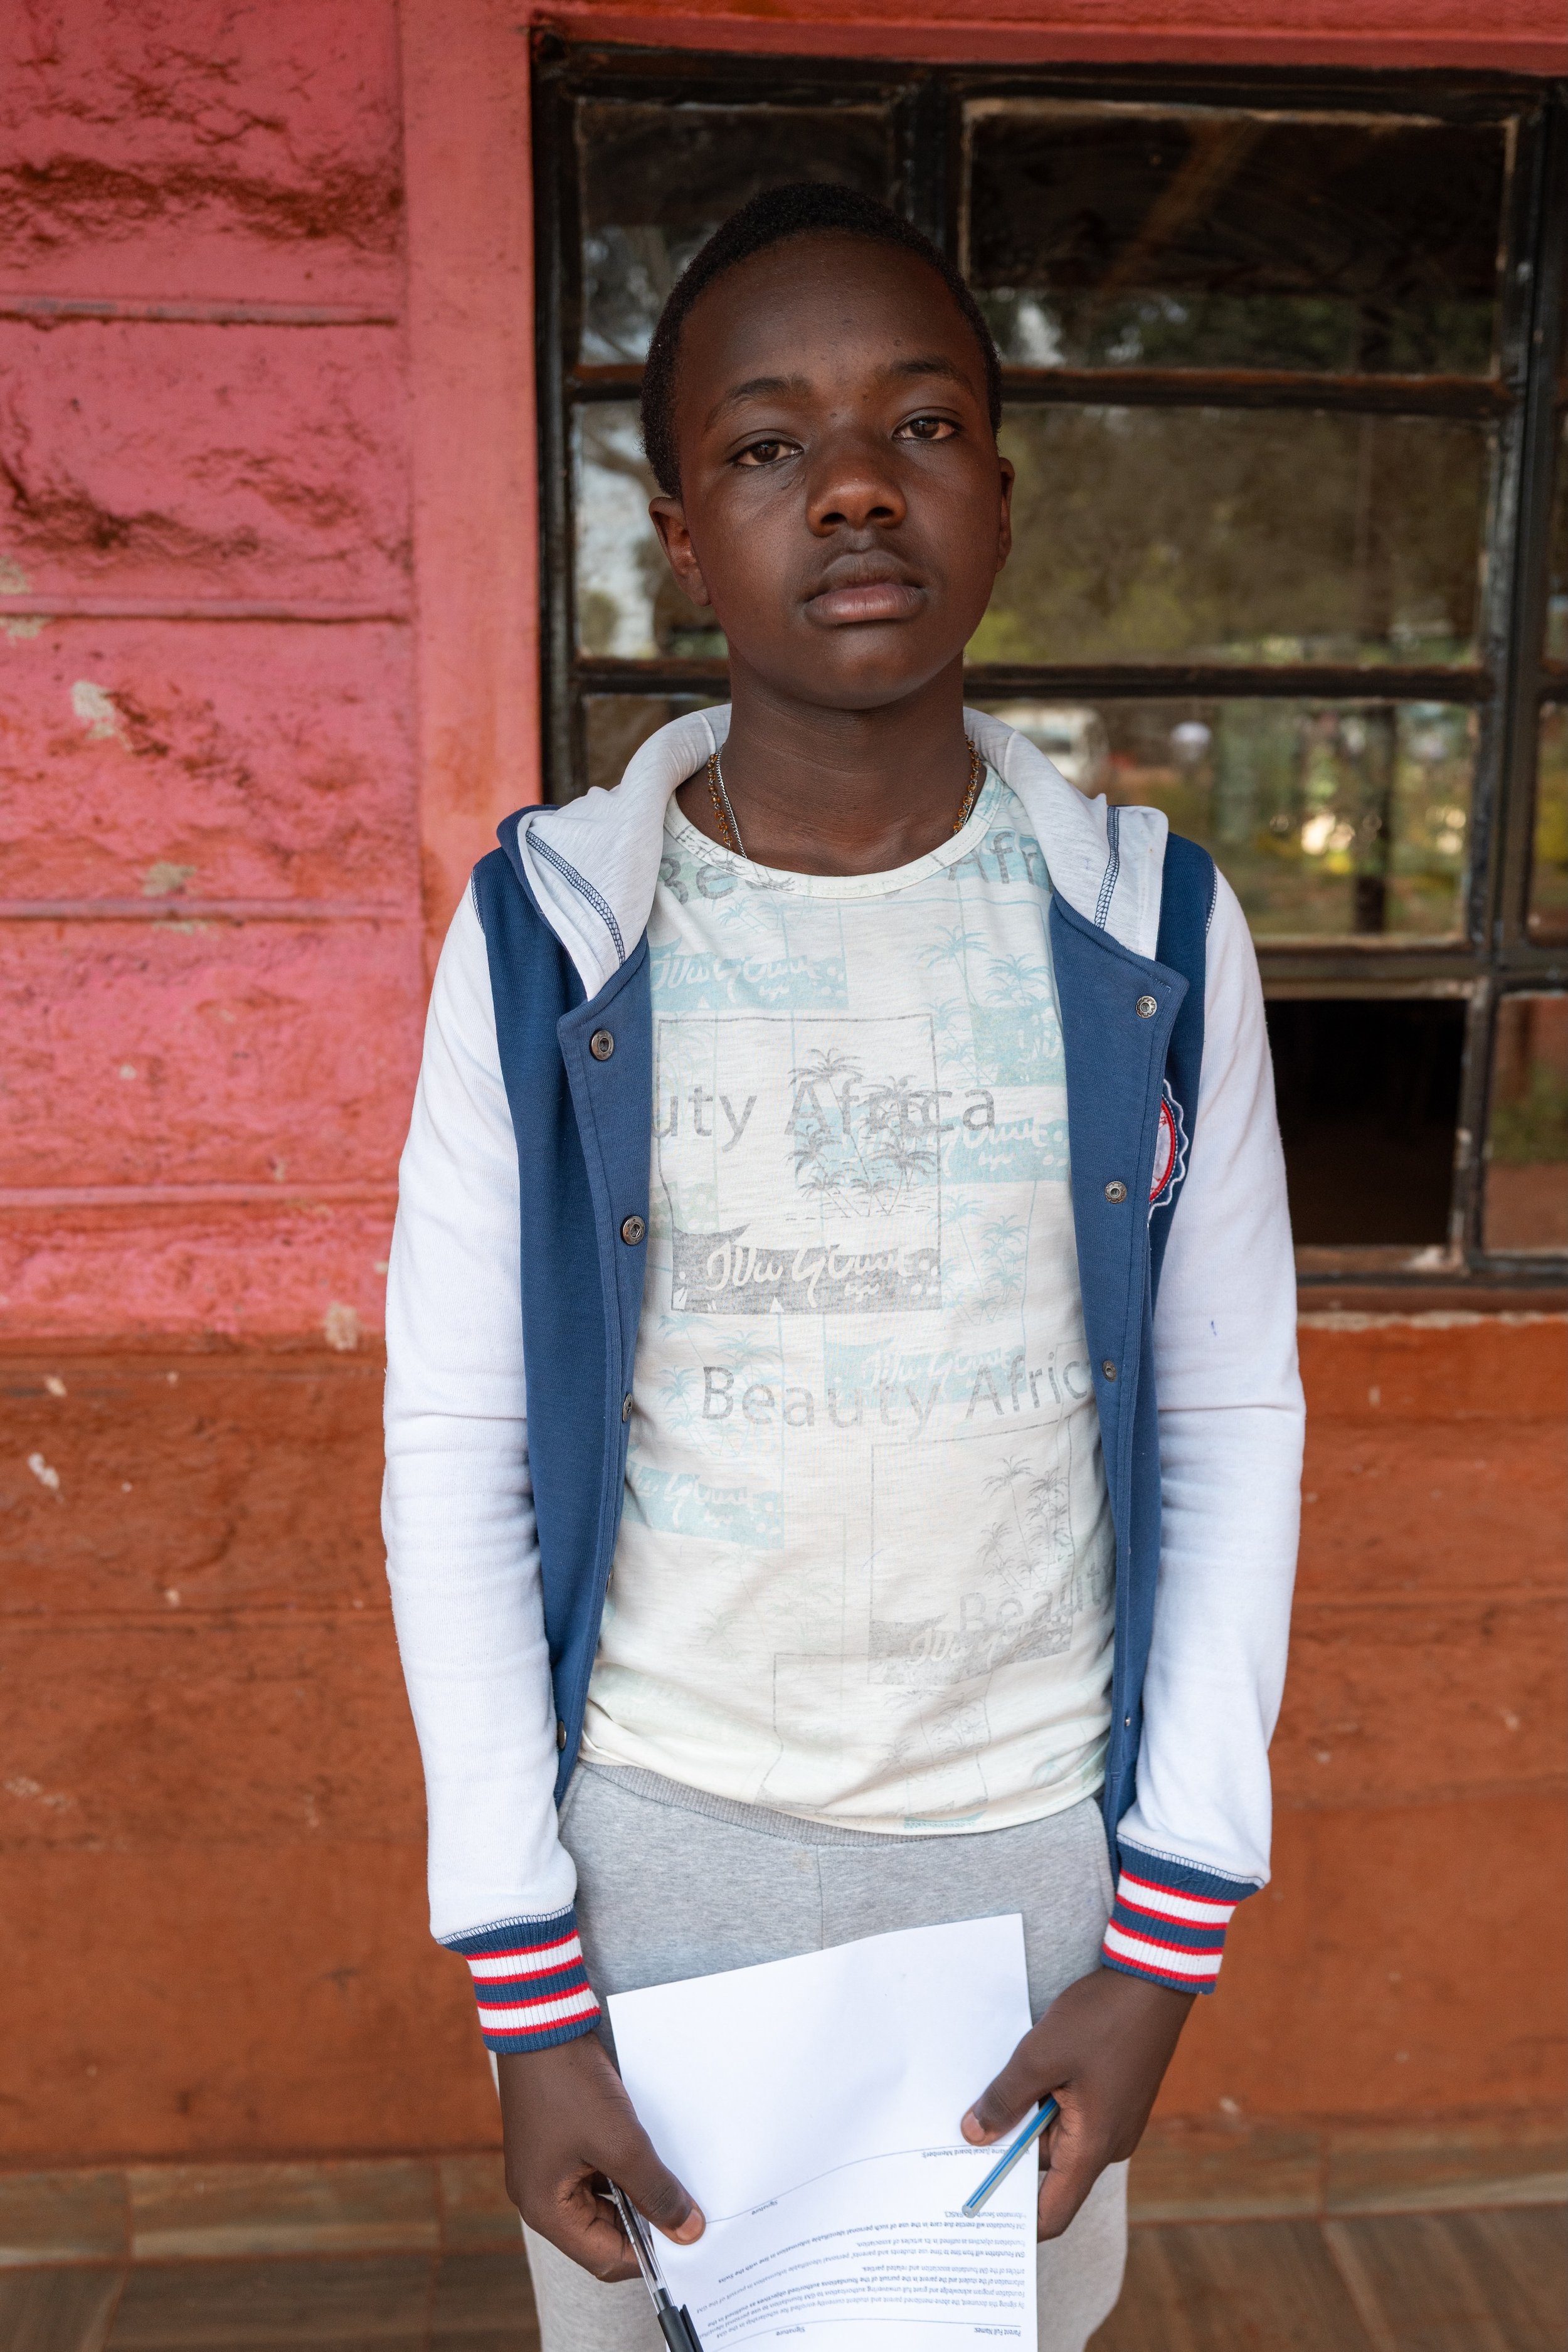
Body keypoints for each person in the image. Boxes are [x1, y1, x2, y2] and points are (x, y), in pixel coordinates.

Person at [383, 183, 1303, 2352]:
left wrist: (1158, 1943)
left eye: (923, 425)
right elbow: (456, 1446)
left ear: (999, 491)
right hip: (652, 1857)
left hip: (1022, 1867)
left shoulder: (1152, 935)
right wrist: (528, 1989)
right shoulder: (547, 938)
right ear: (678, 533)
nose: (857, 484)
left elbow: (1224, 1421)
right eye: (767, 444)